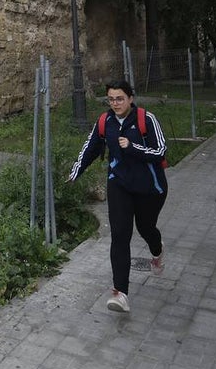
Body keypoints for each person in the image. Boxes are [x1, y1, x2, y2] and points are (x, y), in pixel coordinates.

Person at [67, 79, 167, 313]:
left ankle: (157, 250)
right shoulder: (105, 121)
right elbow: (90, 148)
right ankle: (120, 293)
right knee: (120, 235)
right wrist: (75, 172)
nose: (115, 103)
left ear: (130, 98)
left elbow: (161, 150)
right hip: (119, 184)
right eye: (111, 99)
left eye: (120, 98)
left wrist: (132, 147)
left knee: (146, 228)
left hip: (150, 188)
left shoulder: (146, 119)